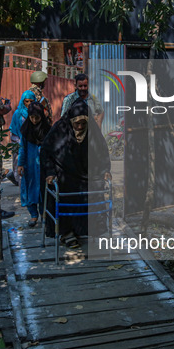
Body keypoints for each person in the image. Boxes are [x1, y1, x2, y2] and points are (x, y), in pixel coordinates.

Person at [41, 98, 111, 249]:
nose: (79, 127)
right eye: (76, 123)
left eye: (83, 124)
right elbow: (46, 151)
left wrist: (105, 170)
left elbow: (102, 151)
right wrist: (50, 172)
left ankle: (82, 230)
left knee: (92, 192)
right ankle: (66, 232)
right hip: (64, 173)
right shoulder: (59, 129)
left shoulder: (93, 131)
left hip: (85, 174)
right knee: (64, 192)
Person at [17, 102, 51, 227]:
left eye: (37, 117)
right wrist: (20, 164)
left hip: (43, 166)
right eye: (32, 117)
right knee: (29, 189)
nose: (34, 120)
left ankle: (43, 213)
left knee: (43, 190)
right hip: (29, 166)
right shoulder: (26, 131)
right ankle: (33, 215)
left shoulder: (47, 130)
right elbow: (22, 149)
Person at [9, 90, 36, 187]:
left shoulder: (36, 113)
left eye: (31, 101)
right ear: (23, 101)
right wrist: (21, 143)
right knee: (20, 170)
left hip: (33, 146)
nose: (29, 104)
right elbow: (13, 131)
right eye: (26, 101)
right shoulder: (17, 113)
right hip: (20, 145)